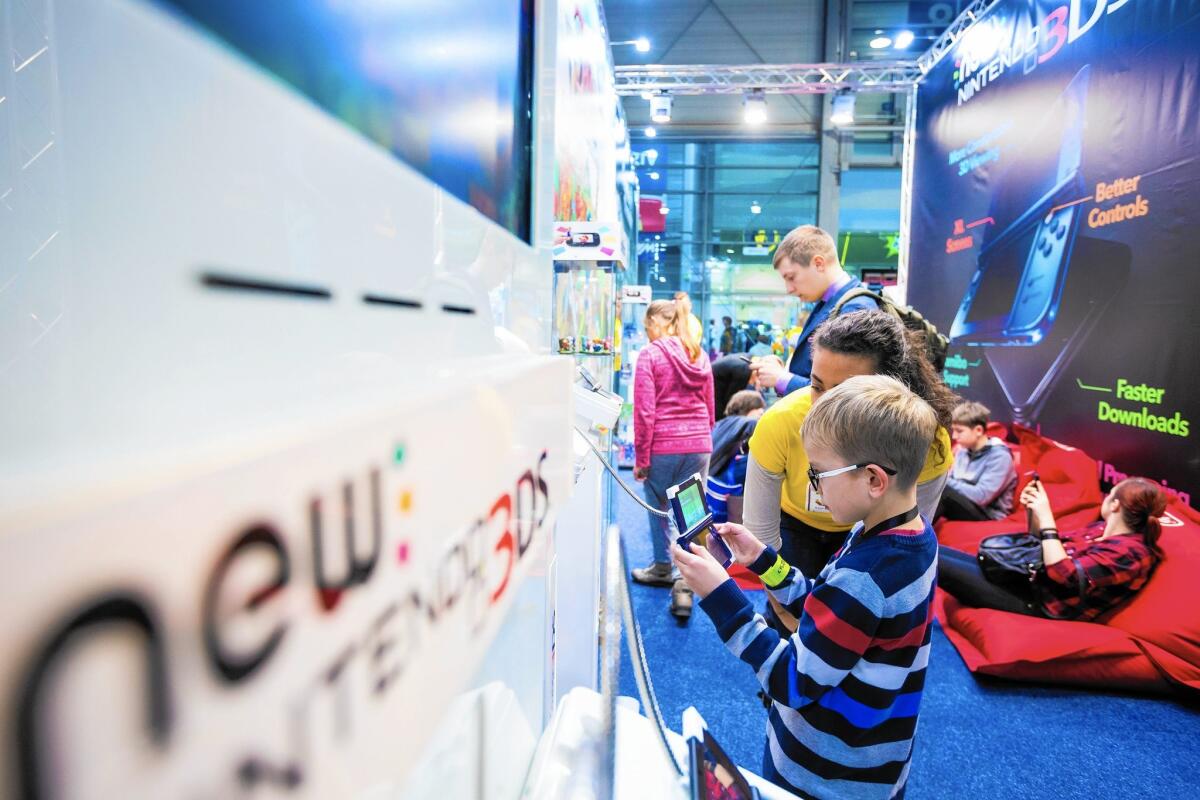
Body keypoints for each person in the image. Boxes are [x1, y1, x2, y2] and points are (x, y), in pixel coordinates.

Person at [672, 375, 939, 800]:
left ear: (873, 480)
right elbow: (823, 602)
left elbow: (791, 680)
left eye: (818, 474)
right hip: (871, 763)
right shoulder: (907, 536)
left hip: (825, 777)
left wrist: (722, 597)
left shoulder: (866, 578)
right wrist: (764, 560)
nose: (813, 486)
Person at [744, 310, 957, 589]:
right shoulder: (780, 423)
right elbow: (762, 543)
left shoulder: (927, 440)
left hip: (873, 530)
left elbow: (906, 540)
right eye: (816, 386)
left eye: (844, 392)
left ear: (888, 388)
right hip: (796, 526)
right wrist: (783, 607)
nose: (823, 406)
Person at [938, 477, 1167, 620]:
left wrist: (1047, 517)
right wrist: (1034, 512)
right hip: (1025, 578)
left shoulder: (1132, 553)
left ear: (1115, 504)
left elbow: (1064, 575)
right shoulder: (1100, 529)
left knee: (929, 559)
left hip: (1038, 603)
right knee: (932, 549)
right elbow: (1045, 546)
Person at [631, 299, 715, 620]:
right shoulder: (699, 354)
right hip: (698, 443)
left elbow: (644, 410)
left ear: (655, 322)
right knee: (691, 514)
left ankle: (664, 567)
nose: (646, 333)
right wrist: (700, 439)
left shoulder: (650, 355)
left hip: (663, 445)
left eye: (646, 326)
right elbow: (709, 406)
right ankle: (687, 583)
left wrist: (641, 457)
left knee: (659, 510)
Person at [751, 225, 879, 397]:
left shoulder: (855, 310)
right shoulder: (831, 303)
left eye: (791, 277)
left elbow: (845, 395)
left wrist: (781, 378)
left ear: (818, 263)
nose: (788, 288)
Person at [937, 401, 1018, 521]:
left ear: (979, 430)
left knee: (942, 491)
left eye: (959, 431)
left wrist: (943, 480)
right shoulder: (963, 451)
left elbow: (982, 496)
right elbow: (953, 481)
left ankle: (916, 535)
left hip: (989, 514)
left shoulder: (1000, 456)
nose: (954, 436)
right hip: (964, 502)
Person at [706, 390, 766, 525]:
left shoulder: (721, 423)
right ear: (750, 408)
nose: (761, 414)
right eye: (759, 410)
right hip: (729, 484)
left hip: (711, 476)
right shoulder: (750, 423)